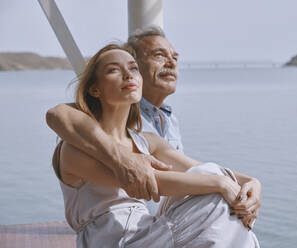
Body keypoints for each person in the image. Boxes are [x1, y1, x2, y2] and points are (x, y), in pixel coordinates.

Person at [46, 26, 261, 224]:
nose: (171, 62)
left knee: (217, 184)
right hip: (131, 235)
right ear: (96, 89)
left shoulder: (163, 124)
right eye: (159, 55)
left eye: (175, 57)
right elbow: (58, 114)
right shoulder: (80, 141)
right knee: (216, 193)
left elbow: (196, 167)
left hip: (158, 227)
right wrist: (221, 184)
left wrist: (251, 182)